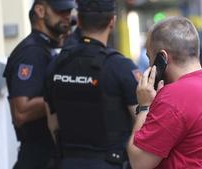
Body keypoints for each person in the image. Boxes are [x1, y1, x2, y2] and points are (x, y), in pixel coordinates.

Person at [127, 16, 202, 169]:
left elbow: (138, 162)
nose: (149, 65)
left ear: (162, 58)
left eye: (150, 58)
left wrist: (145, 107)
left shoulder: (173, 98)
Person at [44, 0, 139, 169]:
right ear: (112, 22)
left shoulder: (56, 64)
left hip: (68, 162)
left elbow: (53, 125)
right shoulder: (121, 67)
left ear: (78, 21)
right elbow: (142, 123)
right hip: (112, 162)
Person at [3, 0, 76, 168]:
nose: (67, 16)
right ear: (40, 10)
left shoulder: (49, 47)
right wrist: (67, 93)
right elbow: (21, 111)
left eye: (68, 11)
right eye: (60, 11)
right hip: (38, 156)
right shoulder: (31, 52)